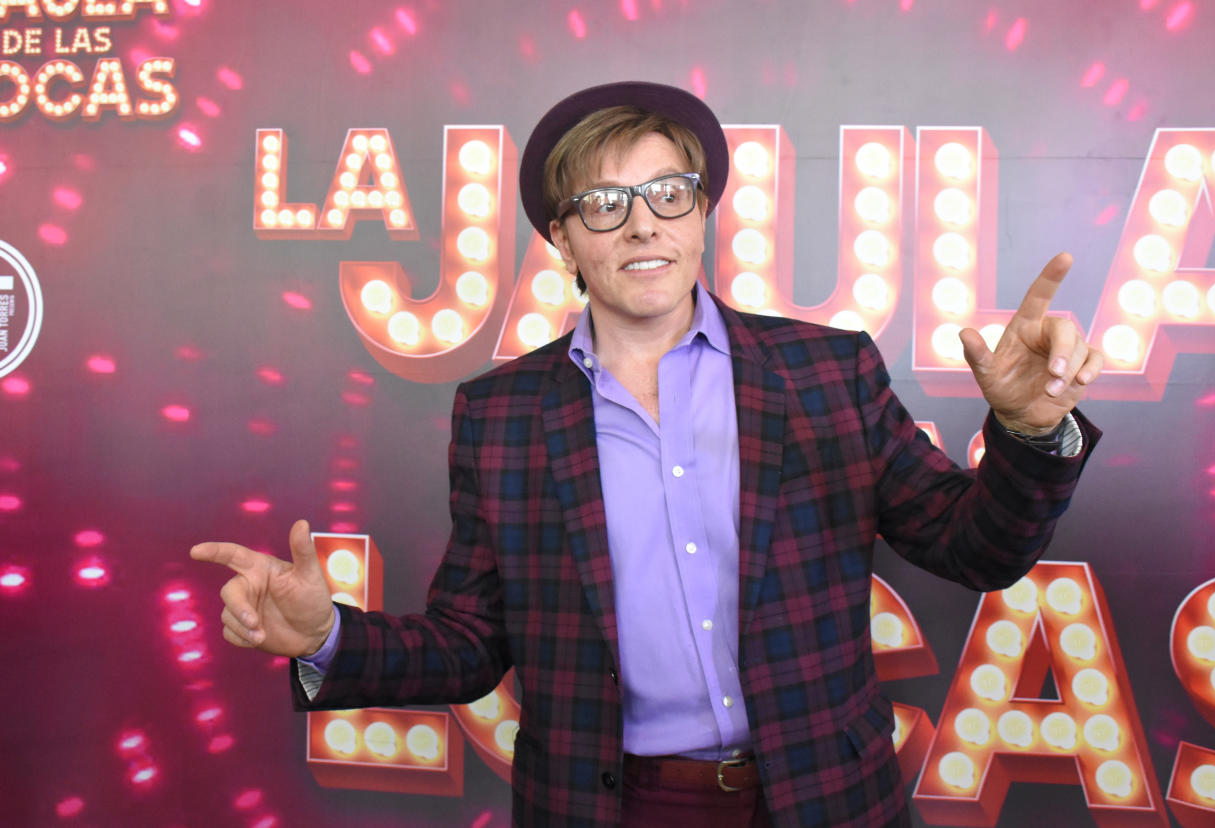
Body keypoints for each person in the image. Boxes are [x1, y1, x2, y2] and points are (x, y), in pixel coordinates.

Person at [192, 81, 1103, 827]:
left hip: (826, 799)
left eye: (669, 194)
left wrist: (1028, 432)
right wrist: (326, 636)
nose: (642, 226)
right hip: (612, 808)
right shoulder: (501, 415)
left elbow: (976, 549)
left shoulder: (825, 372)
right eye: (603, 205)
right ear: (562, 241)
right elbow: (473, 644)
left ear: (701, 213)